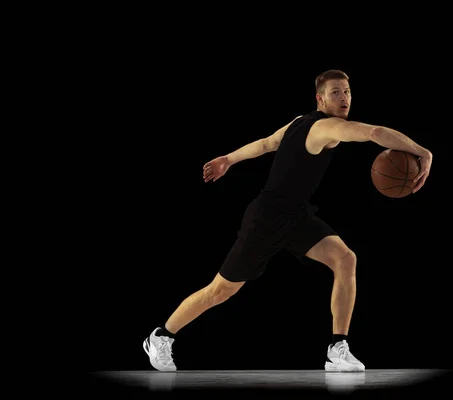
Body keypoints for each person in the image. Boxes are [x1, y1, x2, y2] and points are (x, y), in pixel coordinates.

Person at [143, 69, 433, 372]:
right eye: (336, 92)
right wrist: (421, 151)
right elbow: (373, 133)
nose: (344, 98)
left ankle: (338, 348)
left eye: (347, 92)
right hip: (266, 220)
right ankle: (161, 336)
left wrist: (228, 159)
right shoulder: (325, 127)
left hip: (296, 216)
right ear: (320, 99)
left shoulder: (299, 122)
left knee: (345, 258)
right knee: (220, 291)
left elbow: (268, 143)